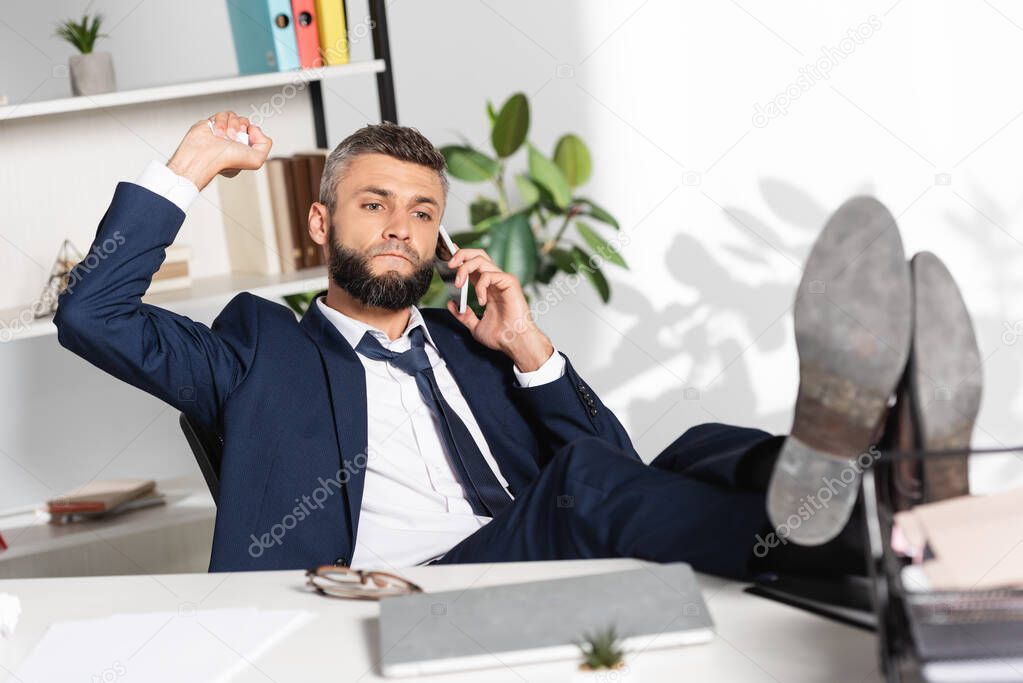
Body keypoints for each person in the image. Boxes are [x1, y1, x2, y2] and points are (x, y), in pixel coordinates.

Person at [53, 111, 981, 580]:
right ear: (319, 222)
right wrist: (191, 165)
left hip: (541, 550)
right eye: (373, 205)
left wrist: (530, 349)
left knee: (700, 448)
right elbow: (92, 314)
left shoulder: (470, 349)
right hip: (410, 590)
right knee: (577, 489)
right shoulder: (259, 352)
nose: (399, 228)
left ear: (440, 238)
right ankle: (885, 520)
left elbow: (621, 471)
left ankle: (882, 478)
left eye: (422, 212)